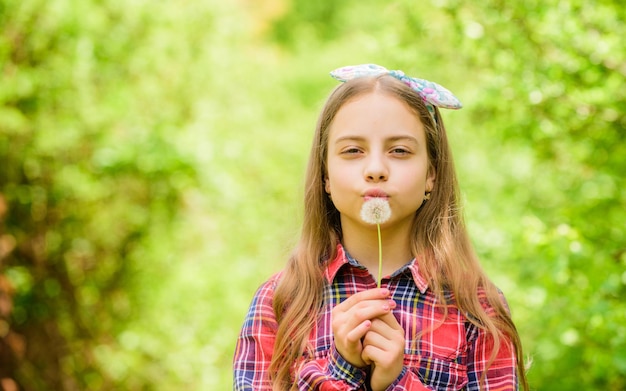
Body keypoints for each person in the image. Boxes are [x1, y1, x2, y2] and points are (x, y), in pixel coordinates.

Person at [233, 64, 529, 391]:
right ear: (326, 175)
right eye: (353, 151)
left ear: (432, 173)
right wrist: (341, 368)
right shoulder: (282, 301)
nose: (375, 169)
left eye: (400, 151)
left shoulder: (477, 307)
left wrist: (397, 382)